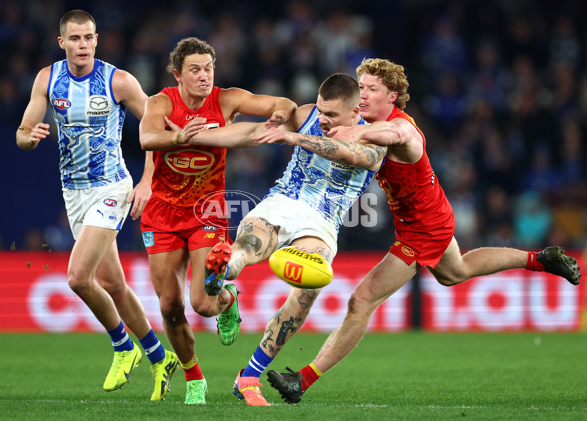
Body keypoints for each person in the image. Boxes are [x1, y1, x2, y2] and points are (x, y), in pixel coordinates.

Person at [259, 58, 581, 403]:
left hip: (423, 229)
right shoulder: (367, 119)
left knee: (361, 300)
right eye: (361, 87)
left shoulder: (402, 128)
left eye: (372, 89)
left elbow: (393, 135)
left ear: (393, 96)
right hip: (428, 215)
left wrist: (358, 131)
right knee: (455, 271)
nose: (363, 95)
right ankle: (538, 259)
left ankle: (301, 382)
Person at [177, 72, 383, 406]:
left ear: (354, 110)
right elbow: (255, 133)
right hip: (284, 201)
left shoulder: (375, 137)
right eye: (321, 111)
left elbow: (354, 156)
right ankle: (227, 267)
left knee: (306, 294)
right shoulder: (305, 115)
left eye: (332, 115)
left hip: (322, 223)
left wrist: (295, 139)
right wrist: (205, 137)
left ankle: (248, 376)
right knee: (249, 244)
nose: (323, 119)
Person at [15, 10, 178, 401]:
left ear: (97, 39)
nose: (83, 45)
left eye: (88, 38)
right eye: (75, 39)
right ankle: (160, 356)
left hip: (112, 187)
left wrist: (146, 182)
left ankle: (124, 347)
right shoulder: (46, 79)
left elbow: (157, 128)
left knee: (76, 277)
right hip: (74, 191)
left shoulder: (118, 80)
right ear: (62, 43)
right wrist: (30, 135)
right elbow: (21, 135)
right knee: (113, 285)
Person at [137, 37, 297, 404]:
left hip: (205, 211)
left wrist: (277, 115)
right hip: (162, 213)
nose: (204, 76)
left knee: (204, 305)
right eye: (195, 69)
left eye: (208, 68)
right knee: (168, 307)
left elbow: (283, 102)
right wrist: (178, 135)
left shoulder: (227, 99)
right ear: (177, 74)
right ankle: (194, 377)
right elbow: (146, 137)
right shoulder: (161, 102)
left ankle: (228, 299)